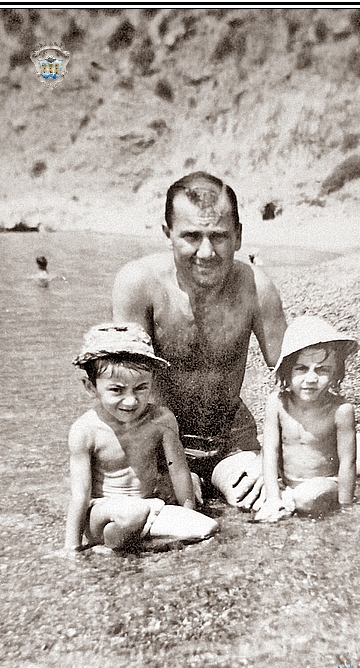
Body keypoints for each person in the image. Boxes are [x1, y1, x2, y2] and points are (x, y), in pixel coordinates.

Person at [112, 172, 287, 509]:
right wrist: (163, 466)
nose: (206, 252)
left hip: (231, 442)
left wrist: (275, 460)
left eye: (218, 236)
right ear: (168, 234)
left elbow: (290, 374)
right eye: (191, 236)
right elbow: (122, 388)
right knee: (148, 522)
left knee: (264, 502)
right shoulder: (138, 284)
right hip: (160, 444)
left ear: (238, 237)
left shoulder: (255, 288)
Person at [64, 323, 217, 553]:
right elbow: (80, 494)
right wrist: (71, 548)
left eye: (141, 388)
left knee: (206, 529)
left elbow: (179, 471)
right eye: (117, 390)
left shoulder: (161, 420)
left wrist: (189, 513)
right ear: (91, 387)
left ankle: (127, 547)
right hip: (102, 514)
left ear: (152, 381)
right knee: (132, 513)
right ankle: (109, 544)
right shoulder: (85, 430)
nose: (130, 401)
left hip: (148, 507)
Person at [255, 315, 359, 520]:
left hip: (325, 483)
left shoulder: (340, 410)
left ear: (335, 372)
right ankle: (285, 500)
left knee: (306, 498)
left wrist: (346, 507)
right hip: (288, 483)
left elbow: (349, 462)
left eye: (322, 370)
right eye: (301, 369)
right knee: (254, 501)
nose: (311, 379)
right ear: (286, 370)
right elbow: (270, 452)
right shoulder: (276, 403)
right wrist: (273, 497)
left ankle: (293, 502)